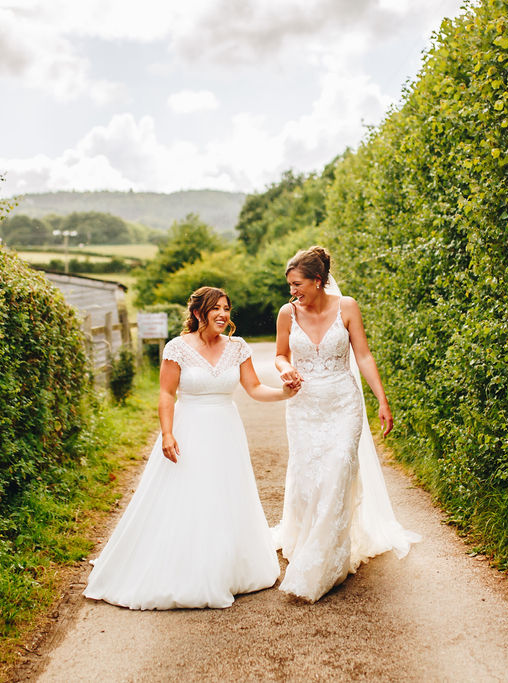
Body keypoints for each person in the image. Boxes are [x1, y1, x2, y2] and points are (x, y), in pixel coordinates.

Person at [83, 286, 296, 609]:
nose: (223, 314)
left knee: (225, 495)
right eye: (216, 308)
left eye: (226, 308)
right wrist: (167, 433)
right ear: (198, 313)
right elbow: (166, 394)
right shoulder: (177, 348)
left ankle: (226, 567)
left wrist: (284, 393)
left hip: (226, 432)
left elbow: (254, 388)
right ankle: (184, 567)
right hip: (189, 429)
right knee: (188, 495)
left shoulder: (238, 347)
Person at [273, 246, 420, 602]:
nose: (292, 291)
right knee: (308, 477)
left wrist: (382, 400)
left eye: (297, 284)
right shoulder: (287, 313)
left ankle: (325, 561)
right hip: (304, 406)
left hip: (343, 403)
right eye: (290, 285)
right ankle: (308, 539)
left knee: (338, 470)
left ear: (317, 281)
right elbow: (280, 354)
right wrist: (286, 369)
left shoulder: (347, 307)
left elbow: (363, 356)